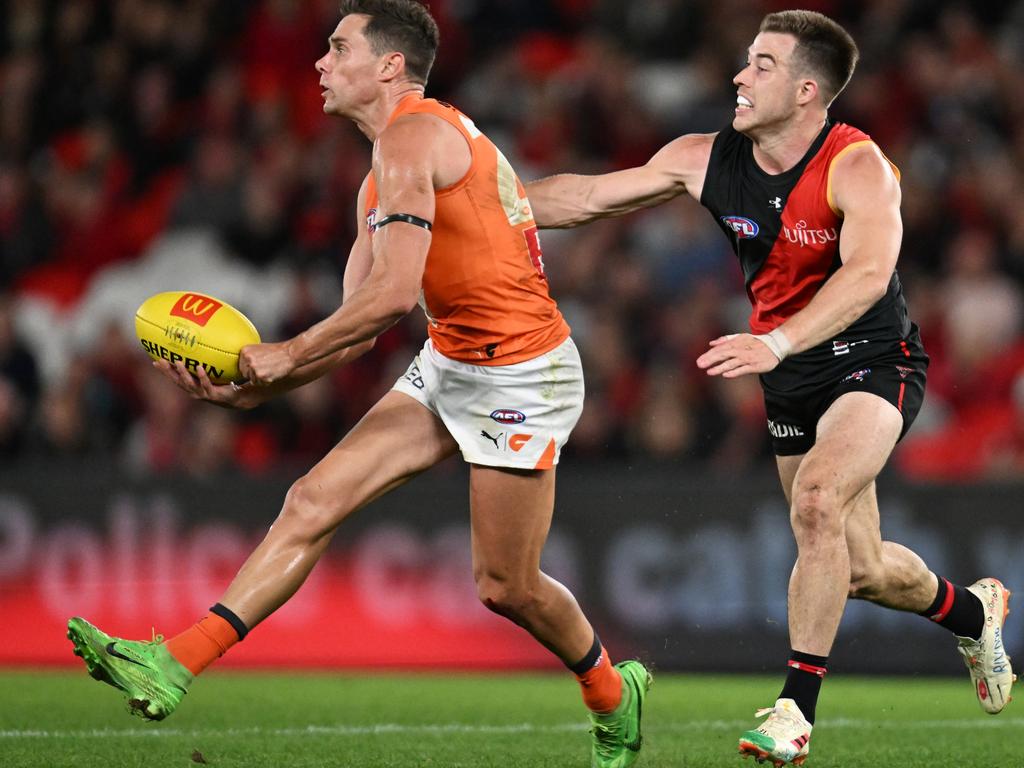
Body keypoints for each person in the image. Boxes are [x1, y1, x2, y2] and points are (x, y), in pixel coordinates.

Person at [65, 3, 651, 766]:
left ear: (389, 67)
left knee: (507, 586)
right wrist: (258, 388)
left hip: (521, 371)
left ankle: (613, 691)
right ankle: (173, 663)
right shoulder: (379, 178)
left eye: (338, 48)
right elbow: (360, 322)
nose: (319, 62)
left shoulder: (414, 137)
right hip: (454, 360)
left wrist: (280, 356)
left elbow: (393, 295)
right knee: (312, 497)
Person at [524, 9, 1014, 766]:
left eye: (761, 64)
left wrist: (777, 340)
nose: (738, 77)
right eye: (746, 61)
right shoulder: (704, 158)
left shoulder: (858, 165)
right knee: (861, 568)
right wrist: (484, 207)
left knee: (816, 499)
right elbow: (585, 198)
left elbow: (868, 275)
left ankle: (794, 710)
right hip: (786, 370)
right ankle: (972, 611)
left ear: (807, 89)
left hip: (872, 361)